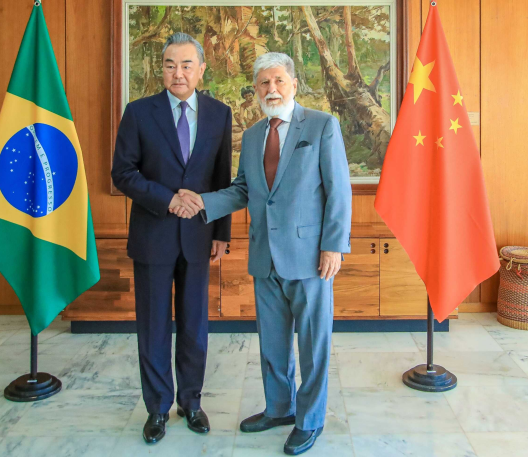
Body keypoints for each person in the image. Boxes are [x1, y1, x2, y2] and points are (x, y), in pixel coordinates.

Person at [173, 52, 352, 455]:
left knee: (312, 344)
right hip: (264, 255)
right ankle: (279, 408)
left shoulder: (322, 126)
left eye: (278, 81)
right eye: (263, 84)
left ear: (293, 85)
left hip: (310, 258)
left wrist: (333, 246)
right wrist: (202, 202)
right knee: (272, 343)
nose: (271, 89)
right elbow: (242, 189)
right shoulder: (253, 135)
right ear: (255, 90)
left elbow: (339, 190)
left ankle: (310, 420)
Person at [111, 32, 232, 445]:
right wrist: (169, 199)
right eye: (169, 65)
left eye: (185, 65)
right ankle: (158, 408)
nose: (177, 73)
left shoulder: (219, 113)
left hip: (199, 237)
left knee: (196, 326)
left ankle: (192, 403)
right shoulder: (139, 113)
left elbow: (222, 179)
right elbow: (123, 173)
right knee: (154, 326)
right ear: (161, 69)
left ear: (201, 69)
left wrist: (222, 233)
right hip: (153, 236)